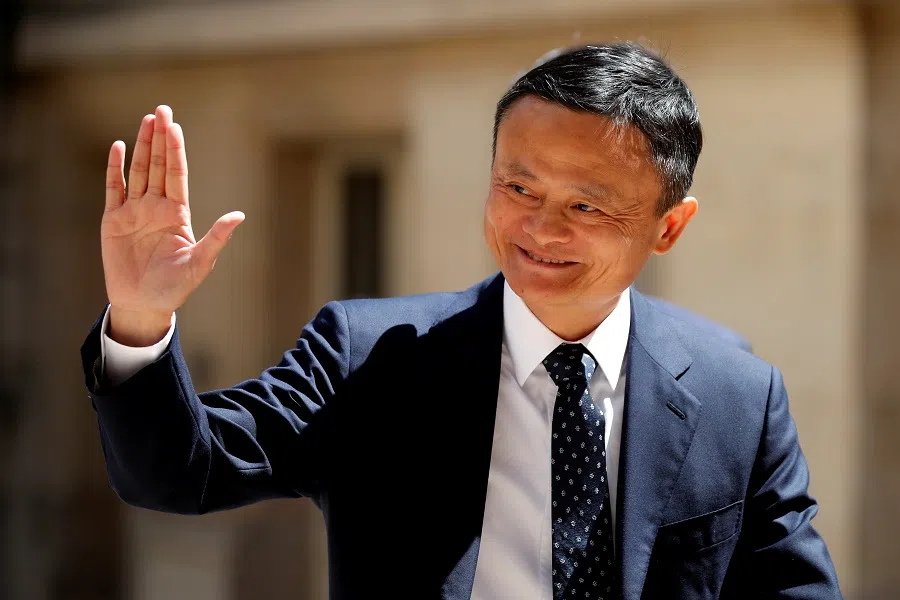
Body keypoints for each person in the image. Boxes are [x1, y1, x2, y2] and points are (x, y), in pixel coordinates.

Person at [80, 42, 841, 599]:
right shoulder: (369, 357)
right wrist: (141, 320)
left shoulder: (737, 393)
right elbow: (179, 474)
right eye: (518, 187)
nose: (540, 229)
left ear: (668, 227)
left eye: (586, 205)